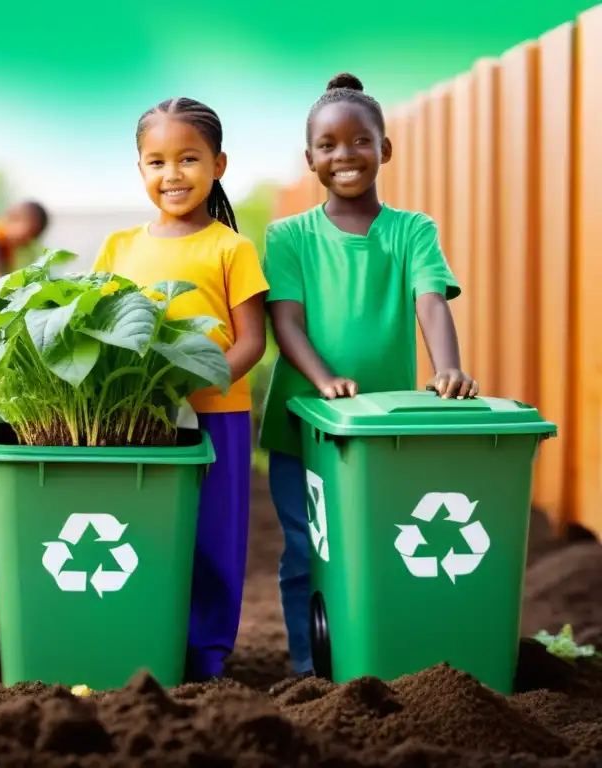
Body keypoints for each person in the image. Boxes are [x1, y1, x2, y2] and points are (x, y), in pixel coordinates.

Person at [260, 73, 479, 679]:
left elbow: (431, 300)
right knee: (307, 548)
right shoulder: (289, 236)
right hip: (302, 427)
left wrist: (449, 369)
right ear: (311, 160)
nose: (344, 156)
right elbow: (287, 322)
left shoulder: (413, 231)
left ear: (384, 149)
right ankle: (310, 667)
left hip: (384, 432)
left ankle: (381, 655)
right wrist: (325, 379)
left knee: (384, 540)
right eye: (327, 146)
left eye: (360, 142)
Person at [92, 97, 269, 682]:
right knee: (140, 534)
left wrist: (193, 385)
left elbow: (250, 342)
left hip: (216, 417)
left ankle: (206, 656)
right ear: (140, 169)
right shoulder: (118, 246)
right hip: (139, 422)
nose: (172, 175)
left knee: (213, 539)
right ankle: (143, 640)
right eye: (157, 162)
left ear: (218, 164)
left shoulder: (230, 247)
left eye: (188, 159)